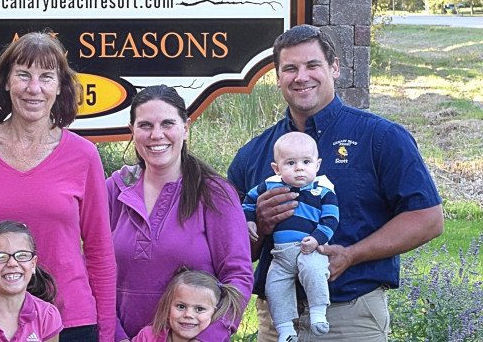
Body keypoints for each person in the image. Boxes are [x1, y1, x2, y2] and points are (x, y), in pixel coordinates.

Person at [227, 24, 444, 342]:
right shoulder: (254, 155)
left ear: (334, 68)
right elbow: (232, 250)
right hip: (278, 322)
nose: (301, 77)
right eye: (290, 68)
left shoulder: (380, 138)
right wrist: (258, 224)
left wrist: (352, 254)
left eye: (312, 65)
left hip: (351, 318)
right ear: (277, 77)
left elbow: (428, 220)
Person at [0, 31, 116, 342]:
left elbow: (99, 250)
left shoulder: (83, 155)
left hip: (71, 319)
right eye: (23, 75)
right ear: (5, 81)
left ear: (59, 87)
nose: (34, 88)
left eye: (46, 77)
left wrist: (106, 331)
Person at [107, 85, 254, 342]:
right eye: (145, 125)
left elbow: (238, 276)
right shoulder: (114, 189)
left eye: (167, 124)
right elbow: (95, 271)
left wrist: (208, 338)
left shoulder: (213, 193)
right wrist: (116, 337)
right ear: (131, 131)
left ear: (185, 128)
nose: (156, 135)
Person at [242, 132, 338, 342]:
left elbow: (331, 219)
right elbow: (248, 201)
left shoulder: (323, 190)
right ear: (277, 168)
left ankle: (318, 313)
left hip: (310, 248)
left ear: (317, 165)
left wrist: (317, 239)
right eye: (290, 163)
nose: (299, 168)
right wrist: (250, 220)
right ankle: (285, 330)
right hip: (281, 255)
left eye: (306, 162)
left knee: (315, 272)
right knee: (274, 287)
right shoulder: (269, 185)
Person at [131, 268, 245, 342]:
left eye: (199, 309)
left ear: (215, 313)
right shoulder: (148, 336)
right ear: (168, 307)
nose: (188, 314)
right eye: (181, 306)